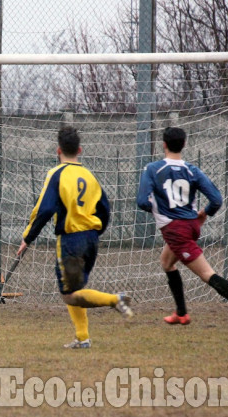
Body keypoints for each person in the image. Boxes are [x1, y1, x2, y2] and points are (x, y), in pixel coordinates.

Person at [136, 127, 228, 332]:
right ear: (184, 144)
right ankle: (181, 313)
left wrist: (160, 208)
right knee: (166, 262)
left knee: (207, 274)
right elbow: (216, 199)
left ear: (164, 144)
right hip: (192, 225)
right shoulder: (192, 170)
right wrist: (204, 214)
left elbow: (142, 201)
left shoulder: (153, 169)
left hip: (175, 230)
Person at [17, 126, 133, 349]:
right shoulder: (90, 176)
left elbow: (44, 209)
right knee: (76, 290)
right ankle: (82, 338)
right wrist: (95, 233)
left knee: (70, 295)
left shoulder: (57, 174)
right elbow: (105, 209)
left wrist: (28, 237)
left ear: (57, 150)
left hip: (71, 240)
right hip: (91, 239)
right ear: (79, 150)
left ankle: (115, 300)